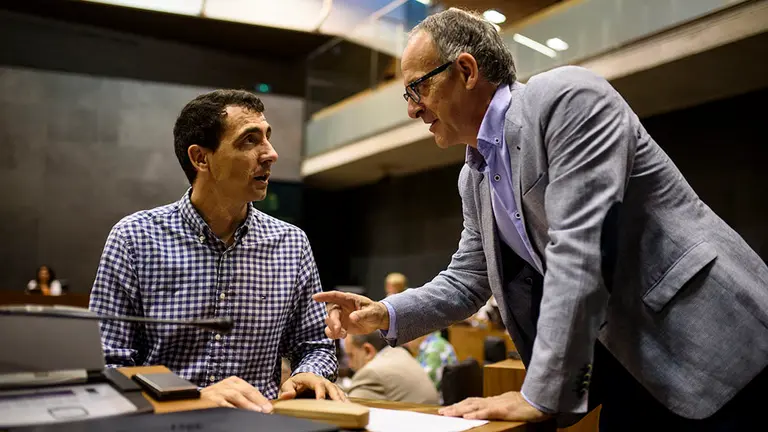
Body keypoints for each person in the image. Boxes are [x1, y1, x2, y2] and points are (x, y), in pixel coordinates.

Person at [314, 8, 768, 430]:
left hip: (717, 341)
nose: (412, 108)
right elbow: (468, 279)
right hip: (631, 367)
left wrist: (540, 393)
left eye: (418, 88)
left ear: (467, 71)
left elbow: (582, 246)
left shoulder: (566, 99)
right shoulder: (472, 177)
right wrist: (384, 313)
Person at [89, 89, 344, 412]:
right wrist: (188, 396)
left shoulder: (291, 244)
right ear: (200, 158)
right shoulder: (134, 239)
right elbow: (107, 363)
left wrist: (309, 372)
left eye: (267, 137)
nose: (271, 154)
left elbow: (315, 345)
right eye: (249, 140)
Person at [344, 332, 439, 404]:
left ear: (368, 351)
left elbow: (352, 413)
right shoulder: (401, 353)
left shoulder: (371, 372)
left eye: (351, 356)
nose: (350, 365)